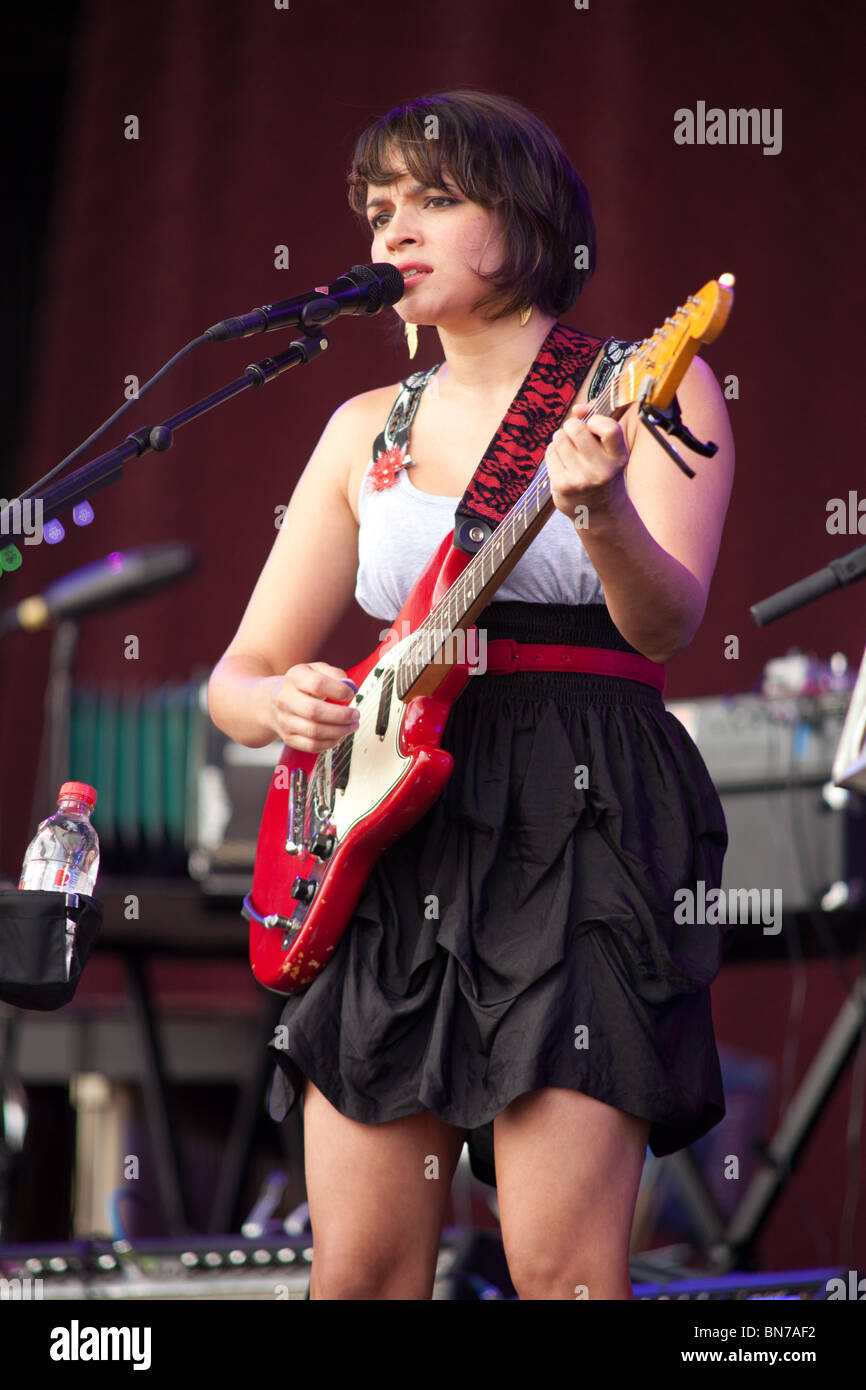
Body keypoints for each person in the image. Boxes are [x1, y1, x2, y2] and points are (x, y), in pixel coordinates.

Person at [206, 88, 734, 1301]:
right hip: (392, 838)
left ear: (529, 220)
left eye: (434, 201)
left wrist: (596, 508)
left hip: (578, 817)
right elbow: (237, 680)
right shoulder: (359, 428)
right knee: (361, 1276)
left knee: (560, 1273)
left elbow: (667, 621)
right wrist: (283, 704)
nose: (393, 231)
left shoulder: (643, 387)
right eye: (380, 208)